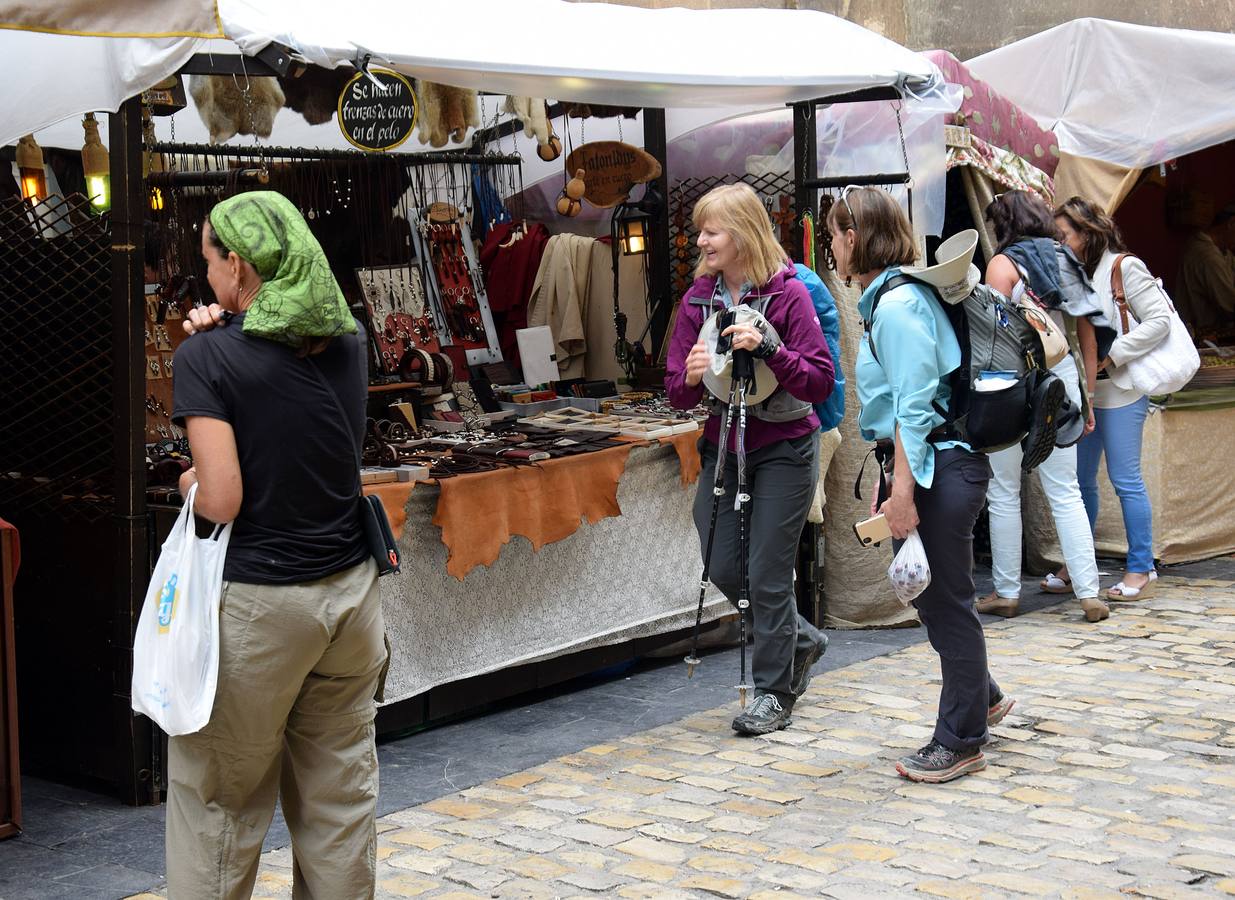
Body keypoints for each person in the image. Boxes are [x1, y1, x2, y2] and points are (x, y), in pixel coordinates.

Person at [169, 190, 387, 899]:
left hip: (260, 607)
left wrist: (188, 484)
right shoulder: (349, 338)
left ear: (236, 264)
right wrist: (229, 325)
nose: (205, 279)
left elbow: (223, 497)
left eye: (208, 262)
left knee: (219, 802)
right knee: (338, 798)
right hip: (350, 600)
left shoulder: (206, 358)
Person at [827, 186, 1012, 783]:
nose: (831, 247)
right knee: (935, 598)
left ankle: (960, 739)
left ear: (854, 238)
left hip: (936, 467)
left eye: (834, 235)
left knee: (947, 603)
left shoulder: (898, 305)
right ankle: (981, 696)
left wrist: (901, 490)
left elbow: (913, 407)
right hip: (933, 464)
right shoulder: (894, 298)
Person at [666, 183, 833, 736]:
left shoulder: (789, 294)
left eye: (711, 231)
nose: (701, 240)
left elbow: (819, 381)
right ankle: (801, 641)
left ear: (740, 234)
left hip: (784, 447)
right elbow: (676, 391)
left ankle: (773, 692)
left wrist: (771, 351)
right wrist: (690, 377)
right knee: (722, 564)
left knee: (766, 572)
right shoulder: (697, 300)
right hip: (724, 447)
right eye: (702, 231)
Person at [979, 191, 1108, 623]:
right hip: (1063, 376)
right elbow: (1087, 335)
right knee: (1065, 490)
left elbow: (994, 340)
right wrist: (1086, 397)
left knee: (1003, 490)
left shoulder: (1002, 265)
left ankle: (1007, 592)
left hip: (1014, 384)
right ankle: (1089, 594)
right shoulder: (1065, 258)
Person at [1055, 196, 1172, 601]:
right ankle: (1078, 561)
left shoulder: (1124, 267)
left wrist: (1113, 355)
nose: (1060, 243)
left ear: (1087, 234)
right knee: (1079, 482)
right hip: (1085, 392)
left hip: (1121, 390)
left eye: (1065, 235)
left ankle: (1141, 567)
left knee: (1125, 480)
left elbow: (1160, 321)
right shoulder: (1070, 272)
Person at [1175, 203, 1235, 337]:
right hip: (1201, 337)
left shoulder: (1223, 251)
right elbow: (1230, 305)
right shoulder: (1207, 255)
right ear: (1231, 223)